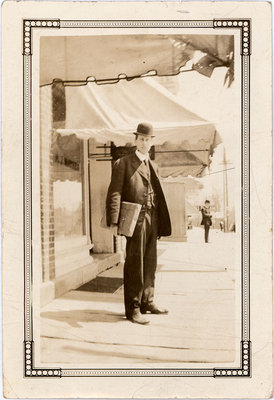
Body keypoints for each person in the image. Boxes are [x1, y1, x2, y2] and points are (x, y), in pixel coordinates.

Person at [106, 122, 171, 325]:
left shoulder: (154, 166)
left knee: (150, 262)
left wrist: (160, 223)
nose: (144, 142)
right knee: (135, 264)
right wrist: (114, 222)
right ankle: (133, 308)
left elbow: (158, 196)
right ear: (135, 140)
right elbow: (114, 193)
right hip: (134, 219)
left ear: (152, 143)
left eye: (148, 139)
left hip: (153, 219)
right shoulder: (123, 163)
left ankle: (147, 302)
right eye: (141, 139)